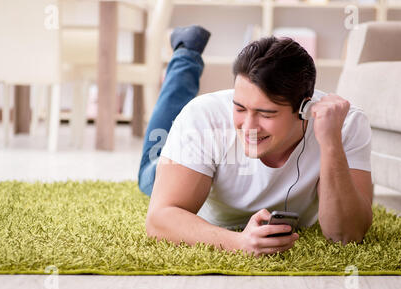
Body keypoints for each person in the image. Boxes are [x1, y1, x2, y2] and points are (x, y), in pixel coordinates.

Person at [138, 25, 373, 257]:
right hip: (196, 169)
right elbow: (160, 219)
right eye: (239, 108)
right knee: (151, 170)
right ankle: (185, 54)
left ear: (305, 109)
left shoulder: (345, 123)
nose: (248, 128)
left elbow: (346, 235)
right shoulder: (203, 116)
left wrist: (330, 142)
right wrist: (238, 242)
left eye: (266, 114)